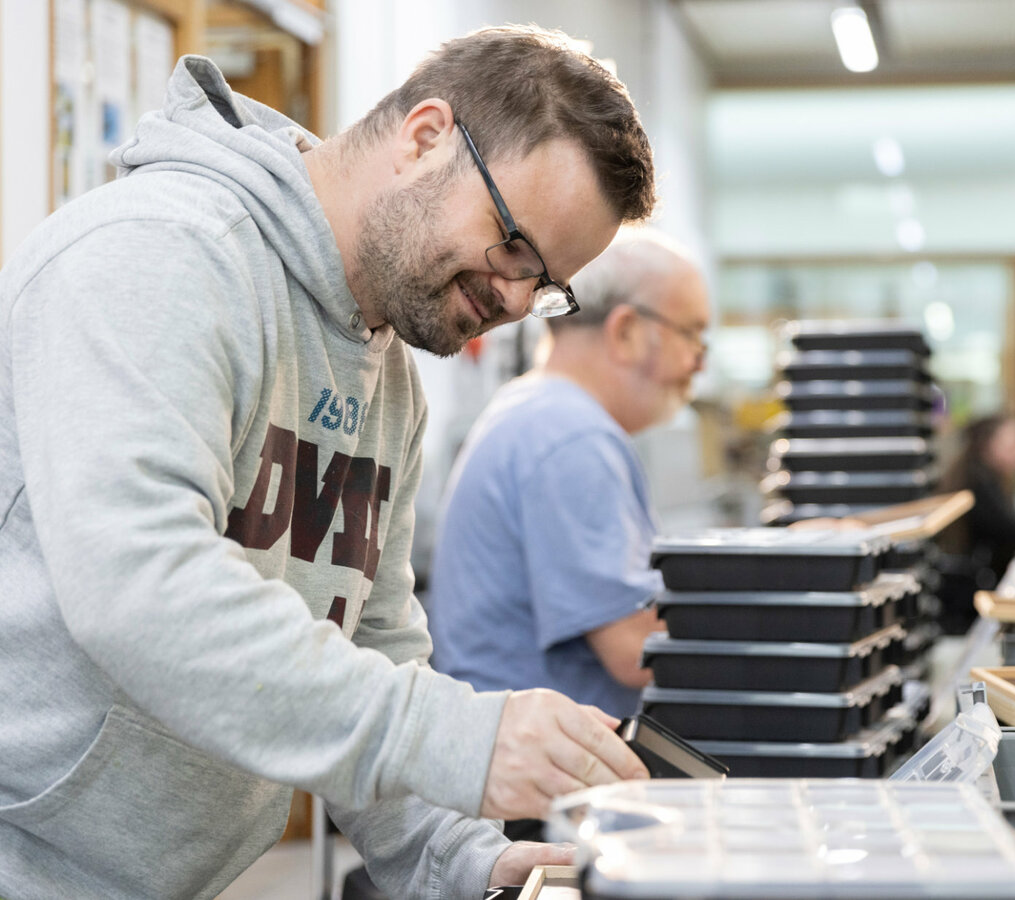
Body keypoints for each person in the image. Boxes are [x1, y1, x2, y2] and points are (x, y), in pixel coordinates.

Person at [0, 25, 657, 900]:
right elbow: (140, 588)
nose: (512, 299)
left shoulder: (387, 379)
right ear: (425, 138)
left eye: (545, 285)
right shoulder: (161, 254)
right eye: (513, 244)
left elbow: (375, 646)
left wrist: (457, 853)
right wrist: (464, 739)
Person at [428, 230, 709, 726]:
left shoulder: (540, 411)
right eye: (692, 335)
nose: (698, 363)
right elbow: (637, 649)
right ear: (624, 331)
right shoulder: (572, 436)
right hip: (536, 786)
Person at [936, 414, 1015, 634]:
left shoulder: (982, 480)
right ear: (989, 446)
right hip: (966, 614)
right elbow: (1010, 533)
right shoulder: (978, 487)